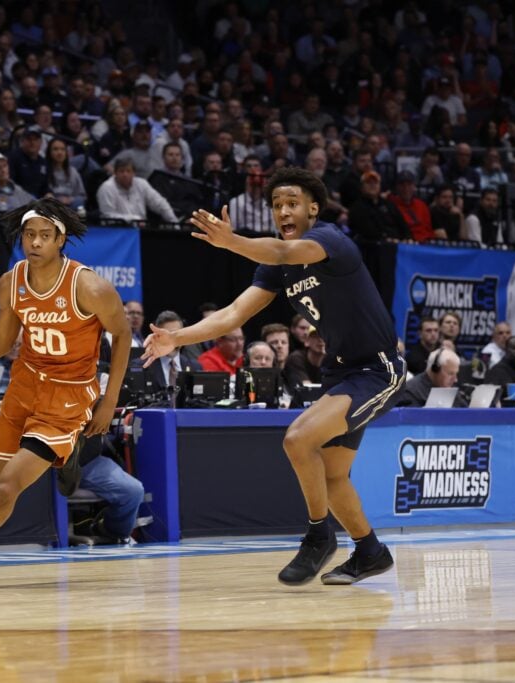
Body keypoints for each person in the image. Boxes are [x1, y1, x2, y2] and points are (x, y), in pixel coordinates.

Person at [143, 168, 405, 586]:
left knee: (298, 438)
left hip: (378, 369)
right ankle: (370, 552)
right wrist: (175, 338)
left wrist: (231, 242)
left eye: (292, 203)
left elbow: (283, 253)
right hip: (341, 373)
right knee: (333, 475)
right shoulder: (276, 269)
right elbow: (233, 315)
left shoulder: (331, 241)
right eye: (277, 205)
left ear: (313, 209)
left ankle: (318, 536)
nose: (283, 210)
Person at [0, 198, 131, 587]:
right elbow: (0, 342)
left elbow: (122, 335)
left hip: (68, 396)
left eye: (44, 236)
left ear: (61, 240)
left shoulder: (89, 286)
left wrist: (109, 401)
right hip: (23, 388)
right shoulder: (11, 283)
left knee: (7, 489)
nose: (35, 242)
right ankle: (66, 454)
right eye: (29, 234)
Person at [97, 157, 179, 224]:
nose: (125, 174)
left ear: (134, 173)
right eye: (121, 171)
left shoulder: (141, 184)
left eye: (128, 171)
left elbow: (160, 203)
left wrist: (174, 223)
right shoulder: (106, 188)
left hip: (141, 230)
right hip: (117, 232)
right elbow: (107, 216)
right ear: (115, 173)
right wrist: (133, 219)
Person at [395, 348, 467, 407]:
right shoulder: (410, 391)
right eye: (450, 374)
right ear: (435, 369)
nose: (455, 380)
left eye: (455, 374)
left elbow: (466, 412)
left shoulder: (450, 389)